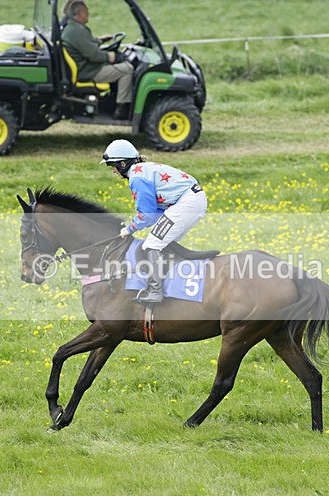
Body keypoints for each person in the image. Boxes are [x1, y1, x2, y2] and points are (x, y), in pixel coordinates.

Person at [101, 139, 207, 303]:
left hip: (187, 202)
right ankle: (172, 282)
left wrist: (129, 229)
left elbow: (147, 215)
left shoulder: (137, 178)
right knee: (160, 242)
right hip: (190, 200)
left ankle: (155, 291)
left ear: (122, 164)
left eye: (112, 166)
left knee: (152, 244)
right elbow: (154, 214)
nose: (113, 171)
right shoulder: (142, 170)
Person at [62, 1, 134, 120]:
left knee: (120, 67)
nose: (88, 13)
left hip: (85, 68)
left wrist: (100, 40)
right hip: (89, 72)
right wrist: (110, 57)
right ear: (79, 14)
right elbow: (93, 55)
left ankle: (113, 100)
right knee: (127, 69)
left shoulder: (73, 28)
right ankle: (122, 108)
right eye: (86, 11)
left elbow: (86, 44)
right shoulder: (77, 31)